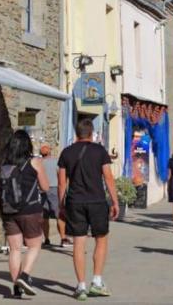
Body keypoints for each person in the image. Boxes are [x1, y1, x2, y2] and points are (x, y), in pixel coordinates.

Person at [58, 119, 119, 300]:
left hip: (75, 202)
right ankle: (97, 282)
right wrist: (115, 201)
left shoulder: (66, 153)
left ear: (76, 133)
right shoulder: (99, 151)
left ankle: (81, 286)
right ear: (91, 133)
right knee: (101, 240)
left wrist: (61, 205)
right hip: (97, 201)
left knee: (79, 243)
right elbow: (108, 177)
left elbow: (62, 182)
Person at [0, 130, 49, 298]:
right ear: (28, 145)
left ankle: (16, 288)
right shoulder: (34, 162)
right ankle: (25, 276)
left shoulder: (5, 164)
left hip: (8, 211)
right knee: (34, 245)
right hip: (30, 210)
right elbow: (45, 187)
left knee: (15, 249)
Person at [39, 145, 71, 248]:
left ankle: (46, 239)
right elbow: (60, 175)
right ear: (49, 152)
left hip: (41, 190)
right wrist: (64, 189)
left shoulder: (38, 163)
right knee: (59, 214)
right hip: (54, 189)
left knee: (45, 216)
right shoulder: (56, 161)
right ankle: (63, 238)